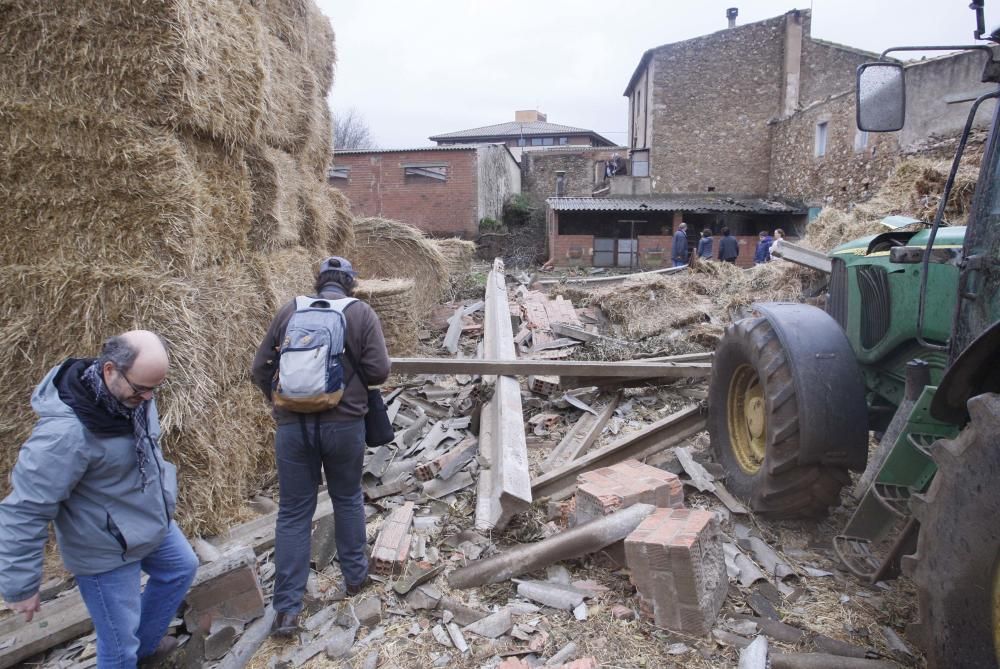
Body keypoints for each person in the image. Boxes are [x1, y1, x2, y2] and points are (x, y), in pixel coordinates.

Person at [0, 331, 197, 668]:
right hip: (104, 548)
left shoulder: (133, 396)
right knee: (118, 645)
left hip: (146, 520)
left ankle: (145, 649)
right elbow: (25, 510)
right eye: (141, 389)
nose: (149, 398)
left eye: (155, 389)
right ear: (110, 370)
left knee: (182, 567)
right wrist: (21, 585)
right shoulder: (65, 435)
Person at [252, 256, 390, 637]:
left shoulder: (289, 311)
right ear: (350, 284)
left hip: (293, 430)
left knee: (294, 514)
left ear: (319, 284)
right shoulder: (361, 314)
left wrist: (284, 403)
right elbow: (379, 371)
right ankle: (356, 581)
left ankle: (287, 611)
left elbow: (259, 369)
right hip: (344, 426)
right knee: (346, 499)